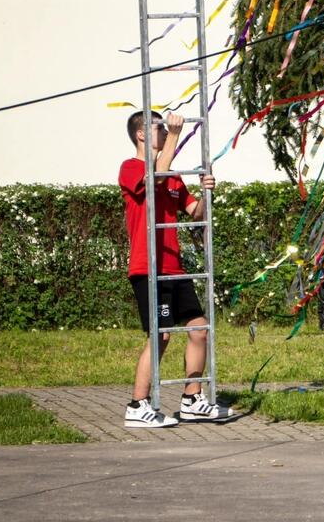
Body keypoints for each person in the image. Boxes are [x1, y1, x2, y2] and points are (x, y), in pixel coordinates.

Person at [119, 111, 231, 428]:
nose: (166, 132)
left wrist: (207, 192)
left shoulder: (173, 177)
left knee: (199, 328)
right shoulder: (130, 168)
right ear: (141, 134)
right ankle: (137, 405)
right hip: (147, 266)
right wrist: (176, 136)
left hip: (174, 266)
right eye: (159, 128)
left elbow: (194, 211)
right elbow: (155, 175)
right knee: (161, 335)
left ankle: (192, 400)